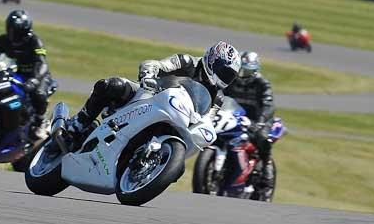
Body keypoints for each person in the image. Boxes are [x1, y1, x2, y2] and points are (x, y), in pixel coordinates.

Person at [67, 41, 241, 145]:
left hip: (178, 122)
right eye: (224, 72)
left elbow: (207, 120)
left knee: (177, 170)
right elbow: (155, 64)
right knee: (111, 85)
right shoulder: (187, 62)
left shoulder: (217, 98)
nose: (225, 79)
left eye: (230, 76)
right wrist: (148, 76)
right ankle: (79, 123)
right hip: (149, 95)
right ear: (212, 61)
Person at [0, 9, 55, 140]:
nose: (12, 34)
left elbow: (42, 62)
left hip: (37, 75)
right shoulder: (3, 40)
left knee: (38, 94)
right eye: (10, 29)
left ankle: (41, 122)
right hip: (15, 75)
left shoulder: (34, 41)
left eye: (15, 31)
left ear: (25, 30)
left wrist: (35, 80)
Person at [227, 50, 275, 201]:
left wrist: (260, 122)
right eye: (240, 69)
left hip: (258, 121)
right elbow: (221, 96)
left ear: (254, 70)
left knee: (263, 138)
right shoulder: (232, 81)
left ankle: (267, 170)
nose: (241, 73)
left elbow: (269, 105)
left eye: (245, 70)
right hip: (235, 118)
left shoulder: (262, 84)